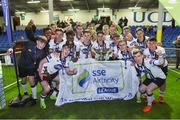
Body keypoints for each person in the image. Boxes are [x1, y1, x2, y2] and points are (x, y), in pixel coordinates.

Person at [38, 44, 77, 109]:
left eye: (68, 50)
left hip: (52, 74)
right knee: (47, 89)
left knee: (62, 81)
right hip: (44, 72)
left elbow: (68, 72)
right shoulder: (54, 55)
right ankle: (42, 99)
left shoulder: (66, 60)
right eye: (65, 49)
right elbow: (42, 62)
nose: (67, 51)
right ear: (62, 49)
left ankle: (53, 95)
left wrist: (73, 72)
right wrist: (40, 73)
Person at [18, 36, 47, 104]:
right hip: (22, 65)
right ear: (37, 42)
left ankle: (34, 98)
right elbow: (18, 42)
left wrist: (39, 69)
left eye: (44, 44)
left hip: (31, 67)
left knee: (32, 80)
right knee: (24, 80)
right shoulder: (29, 43)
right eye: (41, 43)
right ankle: (25, 93)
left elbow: (41, 62)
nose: (42, 45)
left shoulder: (43, 53)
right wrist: (11, 48)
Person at [143, 37, 168, 103]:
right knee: (149, 78)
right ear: (147, 44)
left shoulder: (161, 49)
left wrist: (158, 56)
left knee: (162, 81)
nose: (151, 45)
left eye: (153, 43)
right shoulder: (145, 51)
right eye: (149, 43)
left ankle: (161, 96)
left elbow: (161, 64)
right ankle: (149, 95)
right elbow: (146, 62)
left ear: (156, 43)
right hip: (152, 67)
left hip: (162, 67)